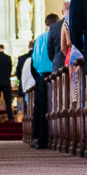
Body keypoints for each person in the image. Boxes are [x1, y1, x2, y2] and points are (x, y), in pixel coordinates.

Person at [31, 14, 58, 147]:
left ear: (45, 23)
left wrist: (40, 69)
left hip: (42, 75)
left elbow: (35, 60)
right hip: (56, 73)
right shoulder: (58, 33)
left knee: (42, 106)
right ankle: (56, 136)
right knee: (56, 105)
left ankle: (39, 138)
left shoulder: (39, 38)